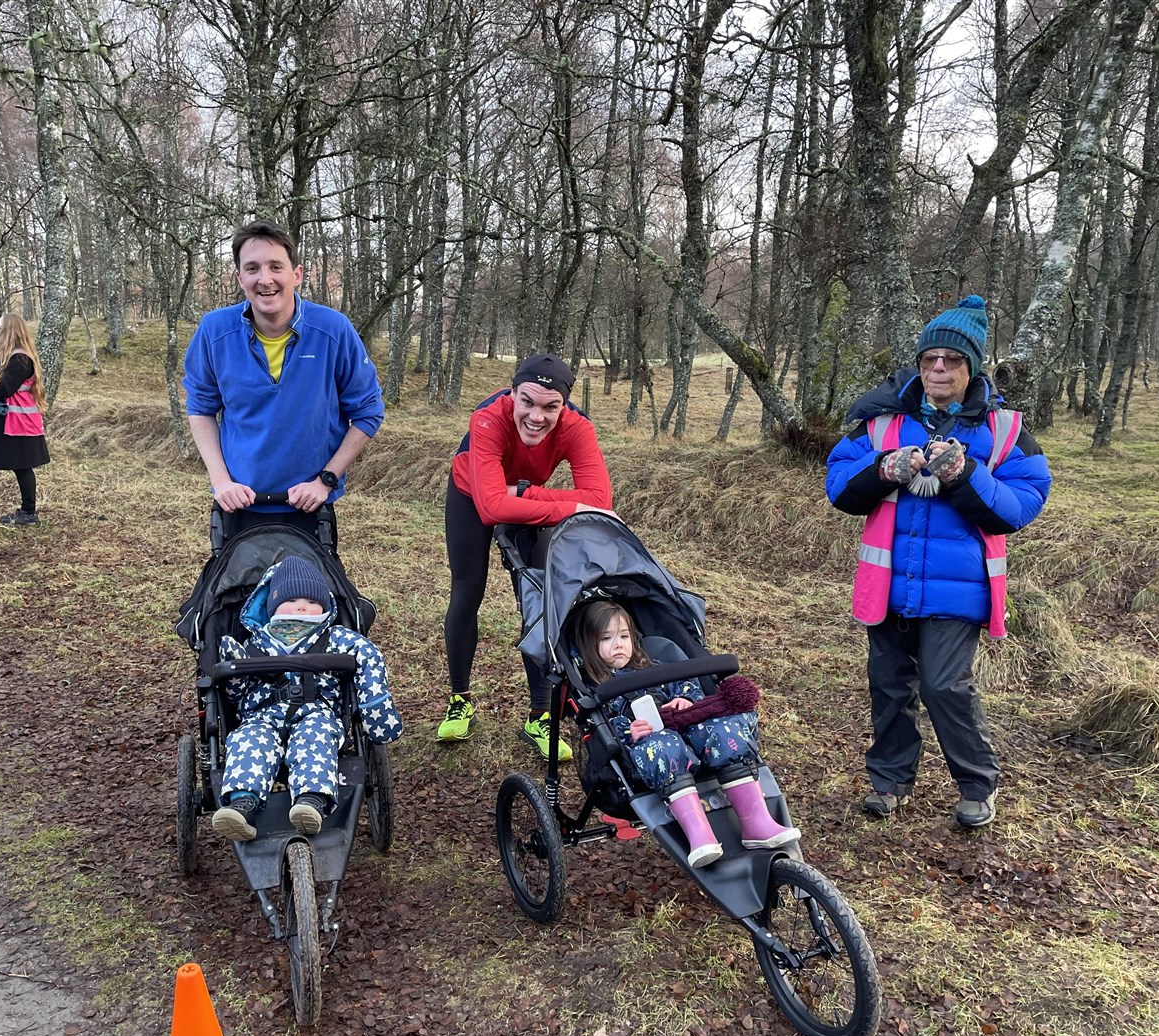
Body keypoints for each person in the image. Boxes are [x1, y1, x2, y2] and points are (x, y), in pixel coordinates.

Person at [825, 295, 1051, 828]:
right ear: (920, 363)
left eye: (951, 360)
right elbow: (838, 482)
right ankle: (889, 780)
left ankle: (977, 784)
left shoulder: (1004, 430)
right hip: (889, 583)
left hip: (959, 586)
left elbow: (1023, 503)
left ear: (971, 367)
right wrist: (886, 468)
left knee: (944, 685)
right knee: (888, 682)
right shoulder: (880, 422)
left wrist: (966, 474)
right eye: (930, 359)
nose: (939, 369)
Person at [436, 353, 614, 760]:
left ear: (564, 407)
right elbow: (492, 508)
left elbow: (601, 500)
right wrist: (570, 504)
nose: (537, 416)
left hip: (523, 497)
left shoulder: (576, 426)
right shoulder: (487, 417)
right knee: (467, 592)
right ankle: (460, 698)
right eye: (527, 402)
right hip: (471, 495)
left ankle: (540, 713)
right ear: (511, 394)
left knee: (538, 599)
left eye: (550, 407)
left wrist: (527, 494)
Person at [182, 220, 385, 546]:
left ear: (297, 274)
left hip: (310, 508)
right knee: (233, 596)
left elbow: (368, 413)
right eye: (252, 268)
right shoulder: (214, 331)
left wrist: (325, 480)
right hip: (239, 504)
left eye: (276, 266)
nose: (265, 279)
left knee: (311, 596)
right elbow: (201, 408)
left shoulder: (333, 331)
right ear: (240, 278)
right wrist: (221, 483)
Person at [571, 600, 800, 867]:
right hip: (652, 749)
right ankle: (700, 835)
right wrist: (628, 731)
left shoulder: (653, 666)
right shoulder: (596, 688)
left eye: (624, 636)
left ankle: (756, 825)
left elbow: (688, 684)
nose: (618, 645)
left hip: (690, 733)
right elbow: (603, 729)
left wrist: (684, 699)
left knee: (724, 730)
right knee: (662, 746)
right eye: (606, 638)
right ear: (588, 645)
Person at [211, 556, 403, 840]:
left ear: (325, 606)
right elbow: (237, 697)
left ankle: (310, 802)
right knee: (248, 741)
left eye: (312, 601)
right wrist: (233, 669)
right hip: (262, 715)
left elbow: (368, 656)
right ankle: (242, 805)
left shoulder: (336, 638)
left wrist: (376, 708)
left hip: (317, 712)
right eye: (292, 600)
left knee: (316, 738)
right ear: (273, 606)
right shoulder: (256, 642)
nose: (303, 606)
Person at [0, 313, 50, 527]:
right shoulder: (12, 356)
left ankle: (29, 512)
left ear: (9, 331)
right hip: (15, 421)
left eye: (0, 328)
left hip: (20, 422)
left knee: (23, 466)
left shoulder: (20, 359)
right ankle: (28, 511)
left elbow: (3, 389)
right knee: (21, 466)